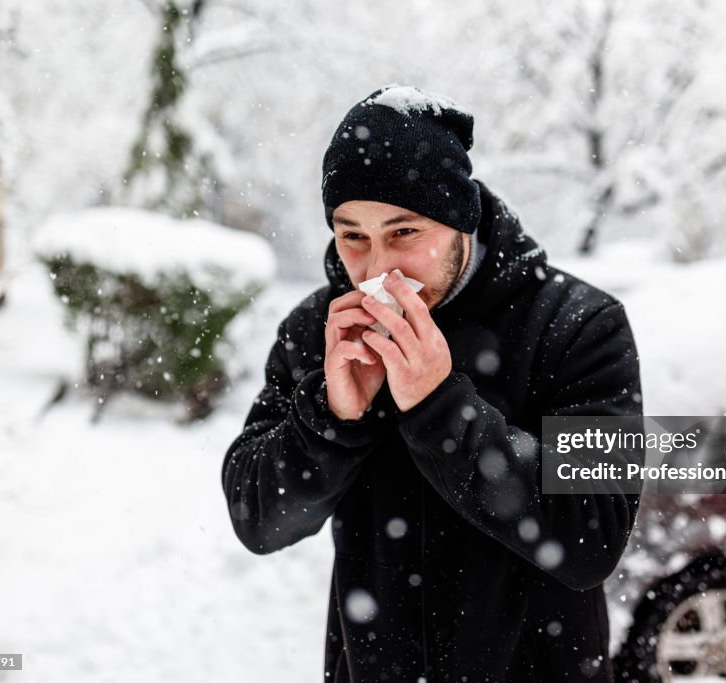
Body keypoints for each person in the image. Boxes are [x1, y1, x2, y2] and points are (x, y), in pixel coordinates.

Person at [222, 84, 643, 682]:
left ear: (459, 223)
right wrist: (329, 418)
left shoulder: (578, 327)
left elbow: (591, 538)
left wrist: (441, 408)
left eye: (404, 233)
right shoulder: (318, 329)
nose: (374, 271)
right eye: (353, 237)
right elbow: (258, 520)